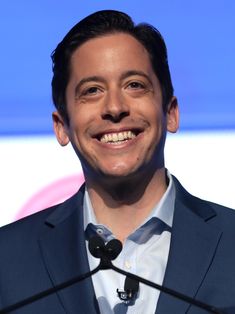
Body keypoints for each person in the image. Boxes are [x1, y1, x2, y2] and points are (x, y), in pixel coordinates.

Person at [0, 10, 235, 314]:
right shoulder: (7, 261)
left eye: (135, 85)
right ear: (62, 126)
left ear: (171, 111)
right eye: (92, 91)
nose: (114, 107)